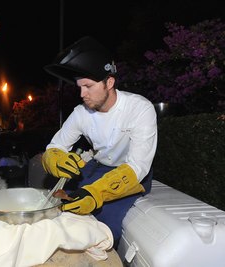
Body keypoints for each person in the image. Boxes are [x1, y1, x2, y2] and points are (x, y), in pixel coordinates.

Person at [42, 36, 158, 247]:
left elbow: (138, 166)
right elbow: (54, 147)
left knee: (105, 226)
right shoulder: (81, 113)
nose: (81, 94)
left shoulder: (141, 109)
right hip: (98, 166)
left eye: (87, 86)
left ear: (109, 83)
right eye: (79, 87)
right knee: (66, 206)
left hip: (131, 174)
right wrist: (54, 159)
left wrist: (97, 193)